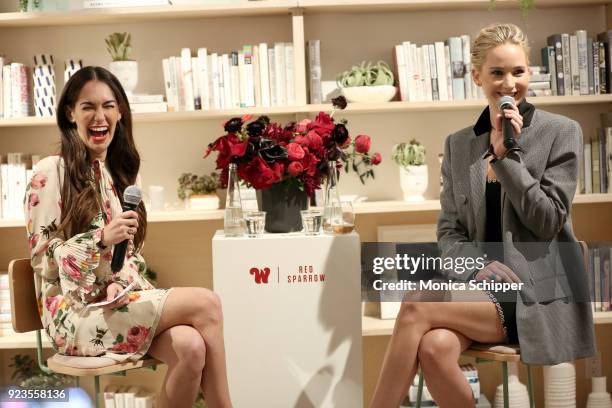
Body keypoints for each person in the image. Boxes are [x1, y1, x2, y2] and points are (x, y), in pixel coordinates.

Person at [369, 23, 596, 408]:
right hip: (480, 289)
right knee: (436, 346)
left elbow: (548, 221)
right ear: (477, 76)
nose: (509, 83)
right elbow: (450, 232)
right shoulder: (458, 145)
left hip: (534, 294)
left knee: (414, 303)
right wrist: (476, 265)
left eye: (518, 72)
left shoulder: (561, 132)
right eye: (497, 72)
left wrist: (507, 160)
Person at [24, 66, 232, 408]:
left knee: (191, 348)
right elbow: (42, 258)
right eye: (87, 106)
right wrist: (100, 239)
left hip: (111, 303)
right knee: (207, 303)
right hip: (72, 313)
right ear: (70, 113)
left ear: (120, 112)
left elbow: (127, 258)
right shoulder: (51, 171)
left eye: (108, 105)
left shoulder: (111, 174)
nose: (99, 116)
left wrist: (118, 282)